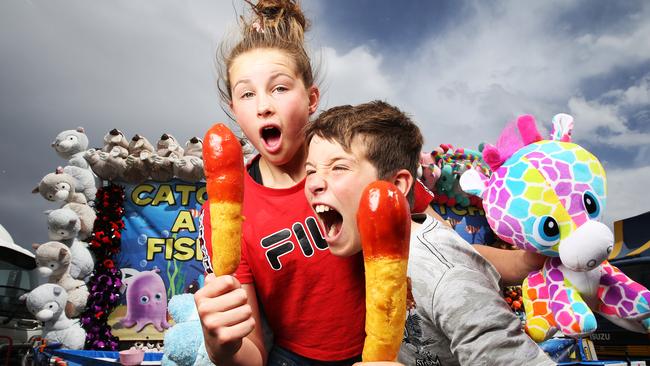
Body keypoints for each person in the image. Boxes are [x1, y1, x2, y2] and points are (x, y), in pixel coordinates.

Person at [194, 1, 543, 365]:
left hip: (386, 351)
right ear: (235, 108)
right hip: (293, 357)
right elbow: (251, 354)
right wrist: (222, 345)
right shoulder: (226, 215)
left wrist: (525, 262)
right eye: (247, 93)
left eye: (279, 88)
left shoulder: (364, 169)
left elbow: (439, 249)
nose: (263, 105)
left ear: (311, 98)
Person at [303, 101, 554, 366]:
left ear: (396, 186)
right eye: (310, 171)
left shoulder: (444, 275)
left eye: (339, 167)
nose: (315, 183)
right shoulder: (370, 248)